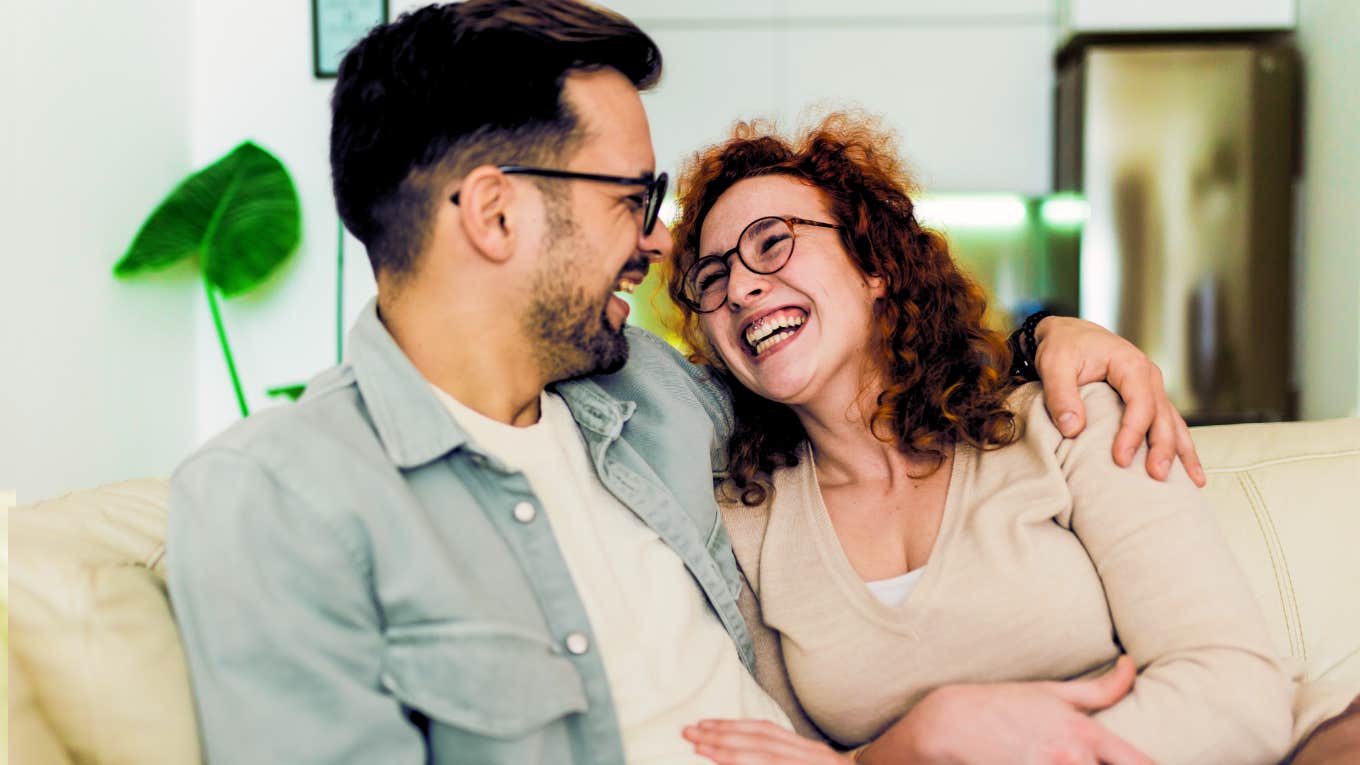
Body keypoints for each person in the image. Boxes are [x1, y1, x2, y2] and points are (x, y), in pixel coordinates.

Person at [166, 3, 1205, 763]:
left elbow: (855, 381)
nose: (662, 243)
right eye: (634, 197)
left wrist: (1047, 344)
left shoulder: (653, 397)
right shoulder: (279, 501)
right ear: (495, 216)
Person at [665, 116, 1318, 765]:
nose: (741, 288)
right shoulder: (745, 524)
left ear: (872, 263)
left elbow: (1235, 694)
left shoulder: (1068, 420)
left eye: (772, 242)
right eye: (712, 279)